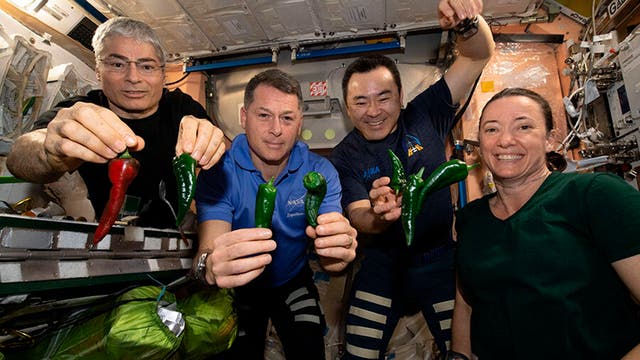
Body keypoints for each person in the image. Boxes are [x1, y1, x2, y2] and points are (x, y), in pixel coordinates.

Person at [328, 0, 494, 358]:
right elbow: (356, 214)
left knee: (469, 349)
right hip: (380, 268)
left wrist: (467, 23)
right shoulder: (344, 155)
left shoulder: (425, 113)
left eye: (383, 97)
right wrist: (378, 215)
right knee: (357, 353)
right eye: (360, 101)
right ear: (346, 106)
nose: (373, 111)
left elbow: (477, 55)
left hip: (440, 262)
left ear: (401, 97)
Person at [450, 88, 640, 360]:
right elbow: (466, 304)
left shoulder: (595, 194)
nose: (505, 140)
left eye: (523, 126)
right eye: (491, 130)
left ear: (550, 139)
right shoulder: (471, 218)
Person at [193, 69, 358, 359]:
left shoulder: (320, 173)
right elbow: (208, 248)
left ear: (300, 123)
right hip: (240, 287)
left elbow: (331, 258)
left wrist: (340, 252)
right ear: (244, 118)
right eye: (264, 116)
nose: (276, 130)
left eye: (287, 118)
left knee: (310, 350)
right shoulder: (219, 172)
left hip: (293, 281)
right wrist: (208, 266)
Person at [6, 17, 226, 229]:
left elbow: (218, 152)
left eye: (147, 66)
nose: (133, 77)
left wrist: (212, 142)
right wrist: (48, 152)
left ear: (163, 74)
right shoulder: (80, 109)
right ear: (98, 72)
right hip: (102, 230)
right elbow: (19, 157)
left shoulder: (181, 107)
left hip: (168, 230)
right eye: (118, 64)